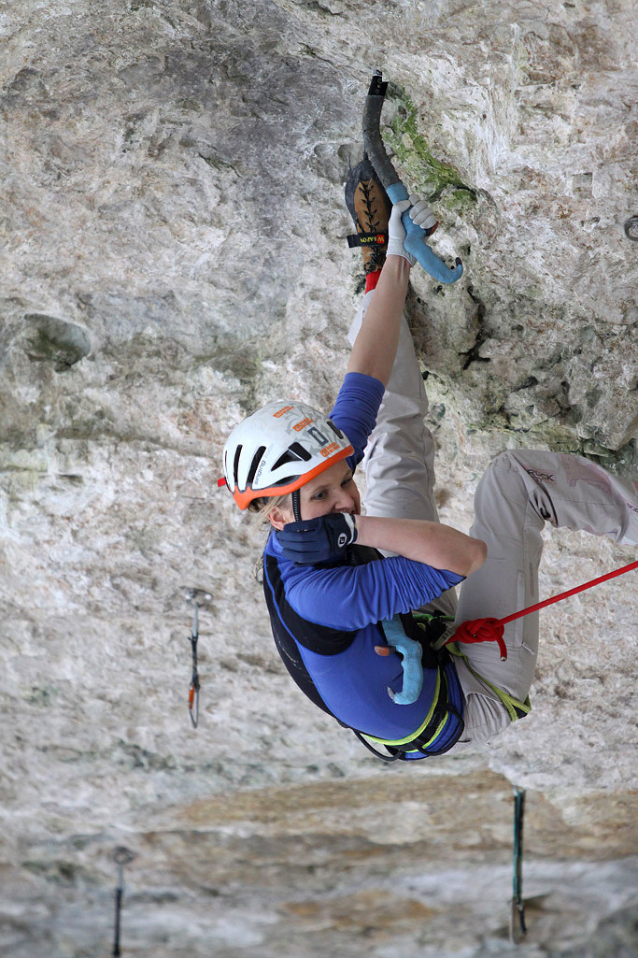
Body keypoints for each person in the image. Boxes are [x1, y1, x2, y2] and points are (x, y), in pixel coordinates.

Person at [220, 159, 638, 761]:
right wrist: (353, 526)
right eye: (324, 496)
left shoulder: (300, 513)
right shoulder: (319, 593)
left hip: (408, 625)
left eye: (342, 480)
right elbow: (463, 557)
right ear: (274, 515)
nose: (345, 495)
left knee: (389, 424)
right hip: (473, 690)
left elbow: (366, 375)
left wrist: (392, 260)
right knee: (514, 480)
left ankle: (374, 263)